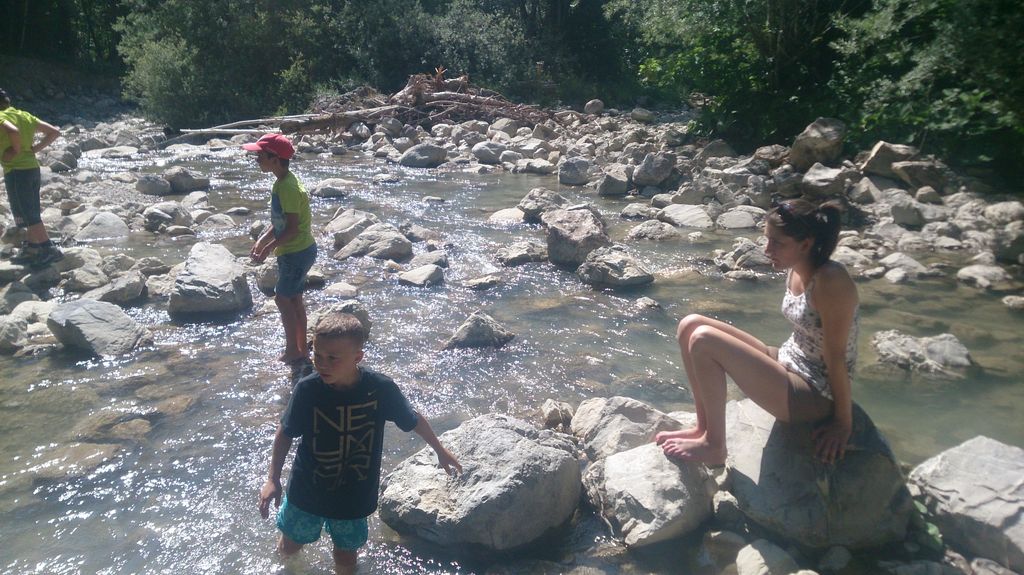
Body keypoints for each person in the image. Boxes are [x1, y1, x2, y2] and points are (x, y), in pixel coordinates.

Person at [655, 199, 859, 466]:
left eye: (777, 243)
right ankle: (703, 428)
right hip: (788, 360)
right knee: (689, 325)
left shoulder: (831, 281)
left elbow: (836, 356)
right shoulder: (796, 267)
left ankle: (715, 446)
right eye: (767, 239)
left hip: (814, 392)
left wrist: (843, 422)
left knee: (703, 340)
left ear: (806, 244)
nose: (767, 249)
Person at [258, 312, 462, 574]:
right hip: (307, 490)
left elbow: (413, 420)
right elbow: (285, 432)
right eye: (318, 355)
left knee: (346, 554)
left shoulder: (380, 389)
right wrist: (273, 479)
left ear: (357, 357)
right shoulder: (308, 390)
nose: (322, 364)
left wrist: (440, 450)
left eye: (333, 358)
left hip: (354, 495)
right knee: (291, 545)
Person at [244, 133, 317, 364]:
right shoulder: (282, 182)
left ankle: (293, 350)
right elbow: (280, 222)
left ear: (275, 159)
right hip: (295, 251)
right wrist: (262, 240)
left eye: (260, 156)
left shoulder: (287, 188)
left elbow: (292, 229)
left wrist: (269, 248)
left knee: (282, 299)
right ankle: (301, 348)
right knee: (294, 299)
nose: (256, 160)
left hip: (296, 252)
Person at [0, 87, 63, 268]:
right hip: (32, 169)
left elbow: (12, 131)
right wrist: (34, 149)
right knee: (30, 210)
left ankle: (49, 249)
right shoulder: (23, 115)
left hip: (17, 171)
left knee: (28, 213)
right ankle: (32, 247)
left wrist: (15, 150)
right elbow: (54, 132)